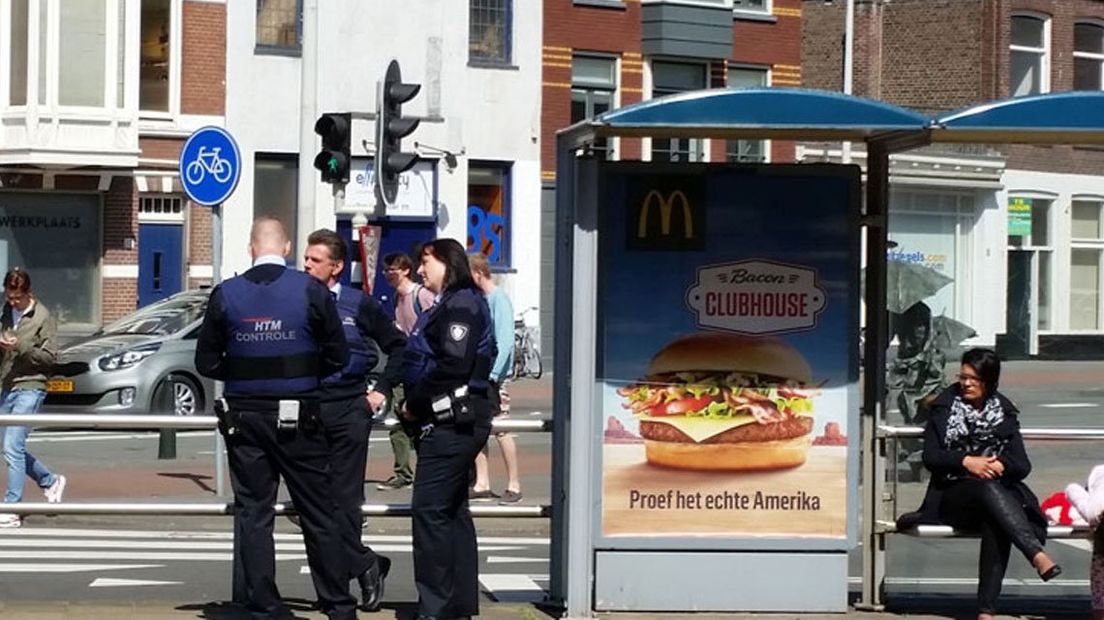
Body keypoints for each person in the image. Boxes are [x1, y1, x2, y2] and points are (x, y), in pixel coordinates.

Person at [195, 216, 356, 619]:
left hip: (245, 419)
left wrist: (242, 371)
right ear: (285, 248)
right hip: (299, 416)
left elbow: (206, 361)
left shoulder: (226, 294)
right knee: (319, 511)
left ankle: (266, 606)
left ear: (251, 248)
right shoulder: (311, 290)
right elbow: (340, 354)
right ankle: (338, 604)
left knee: (254, 513)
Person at [897, 348, 1061, 620]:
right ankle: (1035, 553)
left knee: (995, 516)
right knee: (987, 492)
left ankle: (987, 612)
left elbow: (1022, 464)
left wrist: (1001, 465)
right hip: (952, 496)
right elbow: (931, 457)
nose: (967, 383)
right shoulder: (945, 407)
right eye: (963, 377)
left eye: (974, 378)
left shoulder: (1004, 411)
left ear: (990, 381)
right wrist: (966, 461)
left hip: (994, 499)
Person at [304, 229, 407, 611]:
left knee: (345, 502)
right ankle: (364, 565)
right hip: (308, 408)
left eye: (315, 259)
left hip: (349, 408)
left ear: (336, 267)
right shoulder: (296, 300)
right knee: (311, 504)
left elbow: (398, 347)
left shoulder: (357, 304)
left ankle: (343, 587)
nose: (306, 264)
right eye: (306, 257)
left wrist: (378, 391)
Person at [400, 238, 494, 620]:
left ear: (447, 263)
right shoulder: (454, 304)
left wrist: (414, 401)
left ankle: (436, 608)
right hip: (454, 418)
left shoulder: (462, 305)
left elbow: (453, 364)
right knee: (452, 511)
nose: (421, 271)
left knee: (429, 512)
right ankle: (455, 605)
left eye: (426, 262)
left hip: (451, 419)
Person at [0, 269, 65, 528]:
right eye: (9, 296)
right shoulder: (5, 312)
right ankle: (50, 481)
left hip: (31, 385)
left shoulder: (43, 317)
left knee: (13, 446)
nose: (13, 302)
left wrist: (20, 346)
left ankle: (13, 507)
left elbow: (50, 357)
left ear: (28, 293)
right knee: (8, 446)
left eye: (17, 298)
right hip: (7, 383)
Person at [377, 251, 436, 492]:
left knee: (423, 422)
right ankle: (402, 472)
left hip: (423, 368)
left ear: (405, 270)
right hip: (404, 366)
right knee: (397, 420)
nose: (388, 274)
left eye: (393, 269)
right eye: (386, 270)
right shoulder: (395, 299)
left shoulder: (421, 295)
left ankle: (427, 472)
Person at [467, 253, 522, 504]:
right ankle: (482, 482)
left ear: (478, 273)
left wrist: (494, 375)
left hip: (494, 376)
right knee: (477, 426)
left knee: (501, 429)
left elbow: (506, 341)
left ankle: (514, 483)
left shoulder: (498, 299)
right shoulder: (481, 299)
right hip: (480, 373)